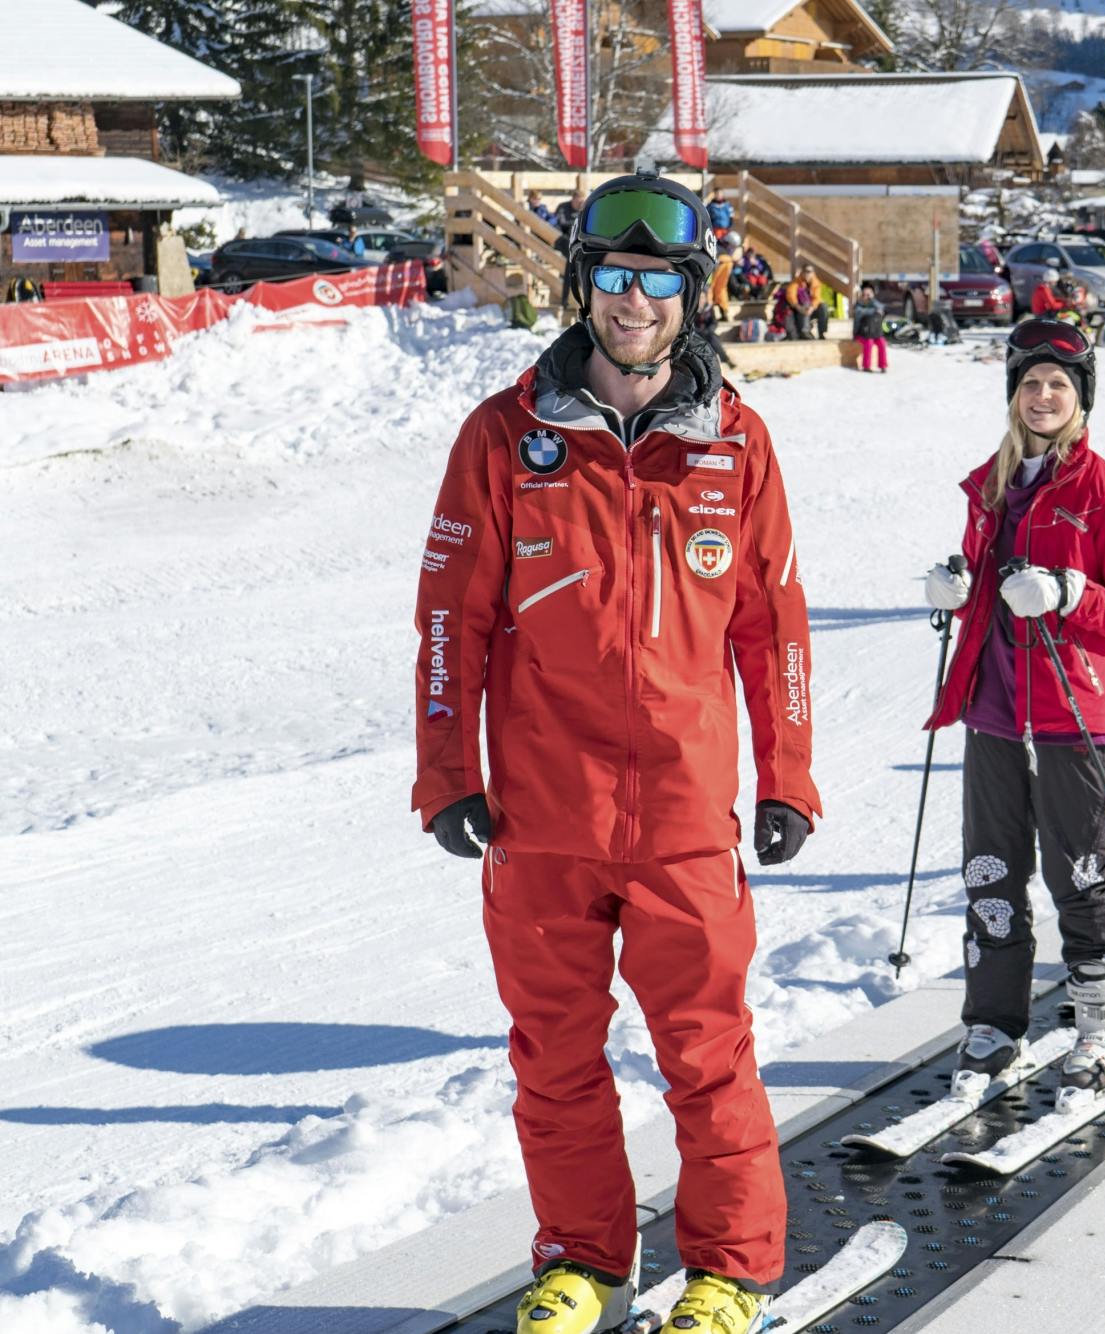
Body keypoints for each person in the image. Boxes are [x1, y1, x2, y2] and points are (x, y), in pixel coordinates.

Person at [413, 172, 817, 1334]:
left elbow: (771, 623)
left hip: (686, 814)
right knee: (554, 1055)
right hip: (543, 814)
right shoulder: (506, 435)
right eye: (612, 276)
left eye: (657, 281)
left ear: (692, 297)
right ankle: (584, 1258)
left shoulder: (736, 443)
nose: (632, 301)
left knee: (707, 1052)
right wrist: (448, 775)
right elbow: (452, 617)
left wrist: (787, 772)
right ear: (582, 285)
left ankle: (729, 1272)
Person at [921, 318, 1105, 1099]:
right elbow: (991, 593)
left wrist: (1070, 594)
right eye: (1031, 383)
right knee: (991, 871)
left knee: (1082, 873)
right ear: (1013, 395)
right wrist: (956, 594)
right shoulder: (989, 484)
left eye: (1059, 384)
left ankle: (1102, 1026)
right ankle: (994, 1025)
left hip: (1077, 714)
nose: (1044, 395)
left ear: (1081, 397)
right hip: (995, 709)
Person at [779, 265, 827, 340]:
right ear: (802, 272)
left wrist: (812, 307)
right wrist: (799, 307)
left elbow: (817, 298)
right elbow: (790, 295)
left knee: (823, 306)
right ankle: (805, 331)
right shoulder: (796, 282)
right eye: (805, 271)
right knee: (805, 303)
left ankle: (822, 332)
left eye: (810, 272)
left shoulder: (816, 283)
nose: (807, 274)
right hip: (799, 309)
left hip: (810, 309)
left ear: (813, 273)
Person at [852, 281, 888, 373]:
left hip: (874, 332)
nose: (866, 297)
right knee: (869, 342)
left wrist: (873, 300)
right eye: (864, 294)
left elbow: (882, 308)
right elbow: (861, 312)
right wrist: (875, 311)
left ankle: (883, 366)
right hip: (861, 333)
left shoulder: (874, 303)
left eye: (868, 295)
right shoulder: (858, 305)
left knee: (882, 343)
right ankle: (866, 366)